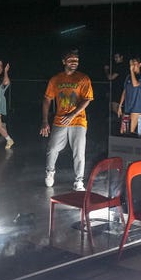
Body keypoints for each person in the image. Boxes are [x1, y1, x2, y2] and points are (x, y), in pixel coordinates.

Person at [40, 49, 93, 191]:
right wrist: (45, 121)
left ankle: (79, 181)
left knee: (79, 152)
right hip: (60, 120)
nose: (74, 63)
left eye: (76, 60)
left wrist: (73, 114)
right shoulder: (56, 79)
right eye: (71, 60)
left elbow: (87, 99)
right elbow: (47, 99)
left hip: (78, 121)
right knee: (52, 149)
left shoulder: (83, 78)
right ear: (64, 62)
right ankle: (50, 172)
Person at [117, 57, 141, 134]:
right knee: (123, 131)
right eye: (131, 64)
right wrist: (120, 106)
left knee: (131, 132)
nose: (133, 65)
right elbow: (124, 91)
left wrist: (131, 71)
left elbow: (135, 84)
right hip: (127, 107)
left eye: (135, 64)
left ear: (140, 65)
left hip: (137, 108)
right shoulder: (128, 77)